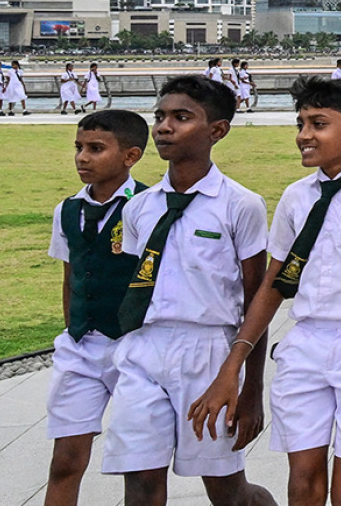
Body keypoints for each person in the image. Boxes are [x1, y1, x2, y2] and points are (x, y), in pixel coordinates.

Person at [188, 77, 341, 506]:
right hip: (304, 347)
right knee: (303, 485)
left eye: (318, 124)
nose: (304, 135)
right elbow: (273, 285)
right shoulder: (296, 197)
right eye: (300, 123)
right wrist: (233, 366)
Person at [102, 75, 275, 505]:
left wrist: (251, 389)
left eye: (181, 118)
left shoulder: (240, 205)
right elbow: (138, 285)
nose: (164, 127)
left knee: (227, 491)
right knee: (140, 483)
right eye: (160, 116)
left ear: (217, 130)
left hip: (210, 353)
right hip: (144, 351)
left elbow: (257, 300)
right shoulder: (139, 207)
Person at [44, 110, 150, 506]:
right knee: (65, 460)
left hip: (133, 346)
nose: (82, 157)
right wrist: (72, 328)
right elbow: (71, 274)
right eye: (79, 148)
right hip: (81, 346)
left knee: (138, 464)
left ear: (130, 156)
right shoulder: (68, 209)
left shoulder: (149, 206)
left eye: (96, 149)